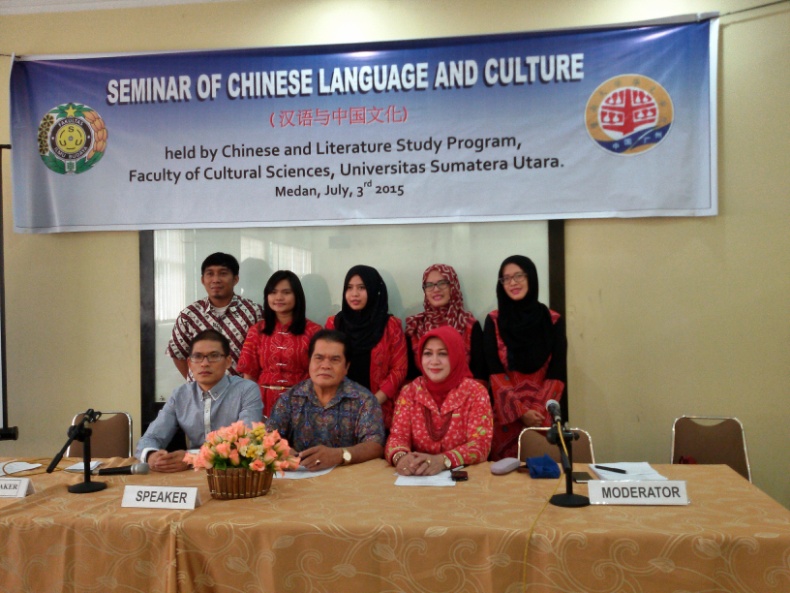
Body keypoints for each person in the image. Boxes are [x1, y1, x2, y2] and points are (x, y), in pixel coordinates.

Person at [137, 329, 263, 472]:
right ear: (190, 363)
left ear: (228, 362)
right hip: (193, 475)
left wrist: (192, 458)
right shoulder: (180, 395)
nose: (205, 363)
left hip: (233, 473)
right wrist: (151, 455)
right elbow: (151, 437)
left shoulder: (246, 390)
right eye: (197, 357)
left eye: (214, 356)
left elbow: (247, 441)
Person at [483, 255, 567, 461]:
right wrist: (520, 412)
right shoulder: (494, 321)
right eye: (506, 278)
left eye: (519, 276)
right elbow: (494, 371)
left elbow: (557, 372)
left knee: (544, 474)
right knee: (504, 476)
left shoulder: (553, 320)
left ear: (531, 277)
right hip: (506, 419)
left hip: (542, 417)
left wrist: (536, 412)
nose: (513, 283)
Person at [266, 329, 385, 470]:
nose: (325, 366)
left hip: (349, 478)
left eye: (335, 360)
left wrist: (340, 455)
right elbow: (268, 435)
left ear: (346, 367)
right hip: (300, 475)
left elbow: (375, 445)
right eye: (319, 358)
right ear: (309, 362)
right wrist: (286, 452)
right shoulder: (290, 398)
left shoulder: (364, 400)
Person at [385, 326, 493, 475]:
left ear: (456, 356)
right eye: (428, 353)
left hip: (464, 479)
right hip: (418, 476)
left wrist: (443, 460)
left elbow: (481, 445)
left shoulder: (475, 393)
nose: (434, 361)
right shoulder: (409, 392)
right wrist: (401, 457)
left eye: (443, 354)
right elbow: (397, 438)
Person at [325, 265, 407, 428]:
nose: (354, 294)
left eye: (361, 288)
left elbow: (399, 369)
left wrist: (373, 402)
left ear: (373, 289)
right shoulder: (334, 324)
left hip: (378, 409)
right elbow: (325, 363)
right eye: (349, 288)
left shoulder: (390, 326)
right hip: (339, 410)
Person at [236, 270, 321, 416]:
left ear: (297, 295)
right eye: (273, 292)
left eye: (286, 292)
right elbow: (249, 375)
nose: (279, 298)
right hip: (262, 404)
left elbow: (319, 374)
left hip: (303, 403)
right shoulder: (257, 331)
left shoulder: (314, 331)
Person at [167, 252, 262, 380]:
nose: (216, 280)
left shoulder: (254, 312)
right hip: (200, 391)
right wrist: (197, 381)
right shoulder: (189, 315)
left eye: (223, 273)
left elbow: (263, 355)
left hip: (241, 390)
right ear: (202, 280)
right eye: (210, 274)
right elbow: (178, 354)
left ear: (235, 279)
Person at [404, 263, 487, 381]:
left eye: (442, 283)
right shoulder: (415, 326)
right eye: (429, 285)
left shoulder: (468, 325)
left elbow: (480, 375)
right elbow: (410, 377)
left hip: (465, 391)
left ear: (453, 286)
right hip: (422, 392)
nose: (436, 289)